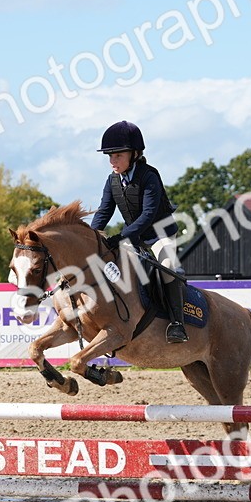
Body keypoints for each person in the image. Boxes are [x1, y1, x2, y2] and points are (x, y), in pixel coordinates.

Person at [89, 120, 188, 344]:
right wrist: (92, 236)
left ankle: (177, 324)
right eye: (110, 157)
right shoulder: (113, 180)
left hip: (158, 234)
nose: (113, 162)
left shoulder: (149, 176)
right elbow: (104, 211)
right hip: (133, 237)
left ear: (134, 154)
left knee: (167, 267)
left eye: (118, 156)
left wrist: (122, 236)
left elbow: (148, 215)